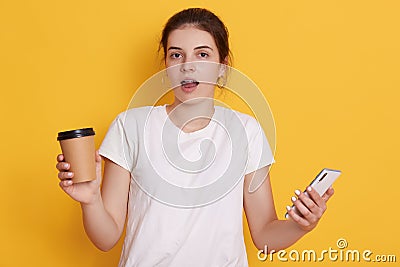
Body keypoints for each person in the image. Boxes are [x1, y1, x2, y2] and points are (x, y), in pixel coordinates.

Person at [56, 8, 335, 267]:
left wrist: (302, 224)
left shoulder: (247, 131)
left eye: (202, 54)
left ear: (222, 67)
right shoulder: (130, 126)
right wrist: (90, 200)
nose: (187, 65)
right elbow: (106, 238)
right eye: (176, 55)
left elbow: (264, 236)